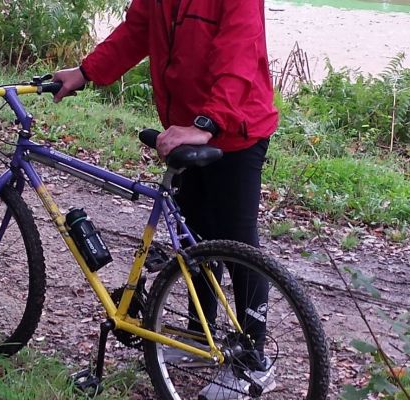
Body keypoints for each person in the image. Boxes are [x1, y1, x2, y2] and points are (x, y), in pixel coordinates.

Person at [50, 0, 278, 394]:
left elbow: (238, 54)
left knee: (239, 245)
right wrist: (86, 73)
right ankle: (198, 340)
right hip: (185, 130)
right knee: (195, 239)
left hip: (236, 132)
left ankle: (251, 360)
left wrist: (208, 123)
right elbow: (137, 31)